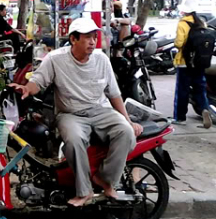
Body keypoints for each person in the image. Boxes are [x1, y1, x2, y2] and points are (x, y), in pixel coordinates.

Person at [11, 17, 143, 207]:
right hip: (70, 114)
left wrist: (128, 120)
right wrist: (26, 89)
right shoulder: (56, 59)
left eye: (94, 37)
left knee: (126, 133)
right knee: (73, 141)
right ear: (73, 39)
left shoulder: (101, 59)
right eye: (87, 37)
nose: (92, 42)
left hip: (101, 111)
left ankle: (104, 180)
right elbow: (38, 81)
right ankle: (84, 191)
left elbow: (114, 94)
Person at [173, 11, 213, 128]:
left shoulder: (182, 23)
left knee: (182, 91)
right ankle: (204, 109)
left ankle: (180, 118)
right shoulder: (201, 22)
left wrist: (178, 43)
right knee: (200, 89)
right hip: (199, 62)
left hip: (185, 62)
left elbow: (179, 43)